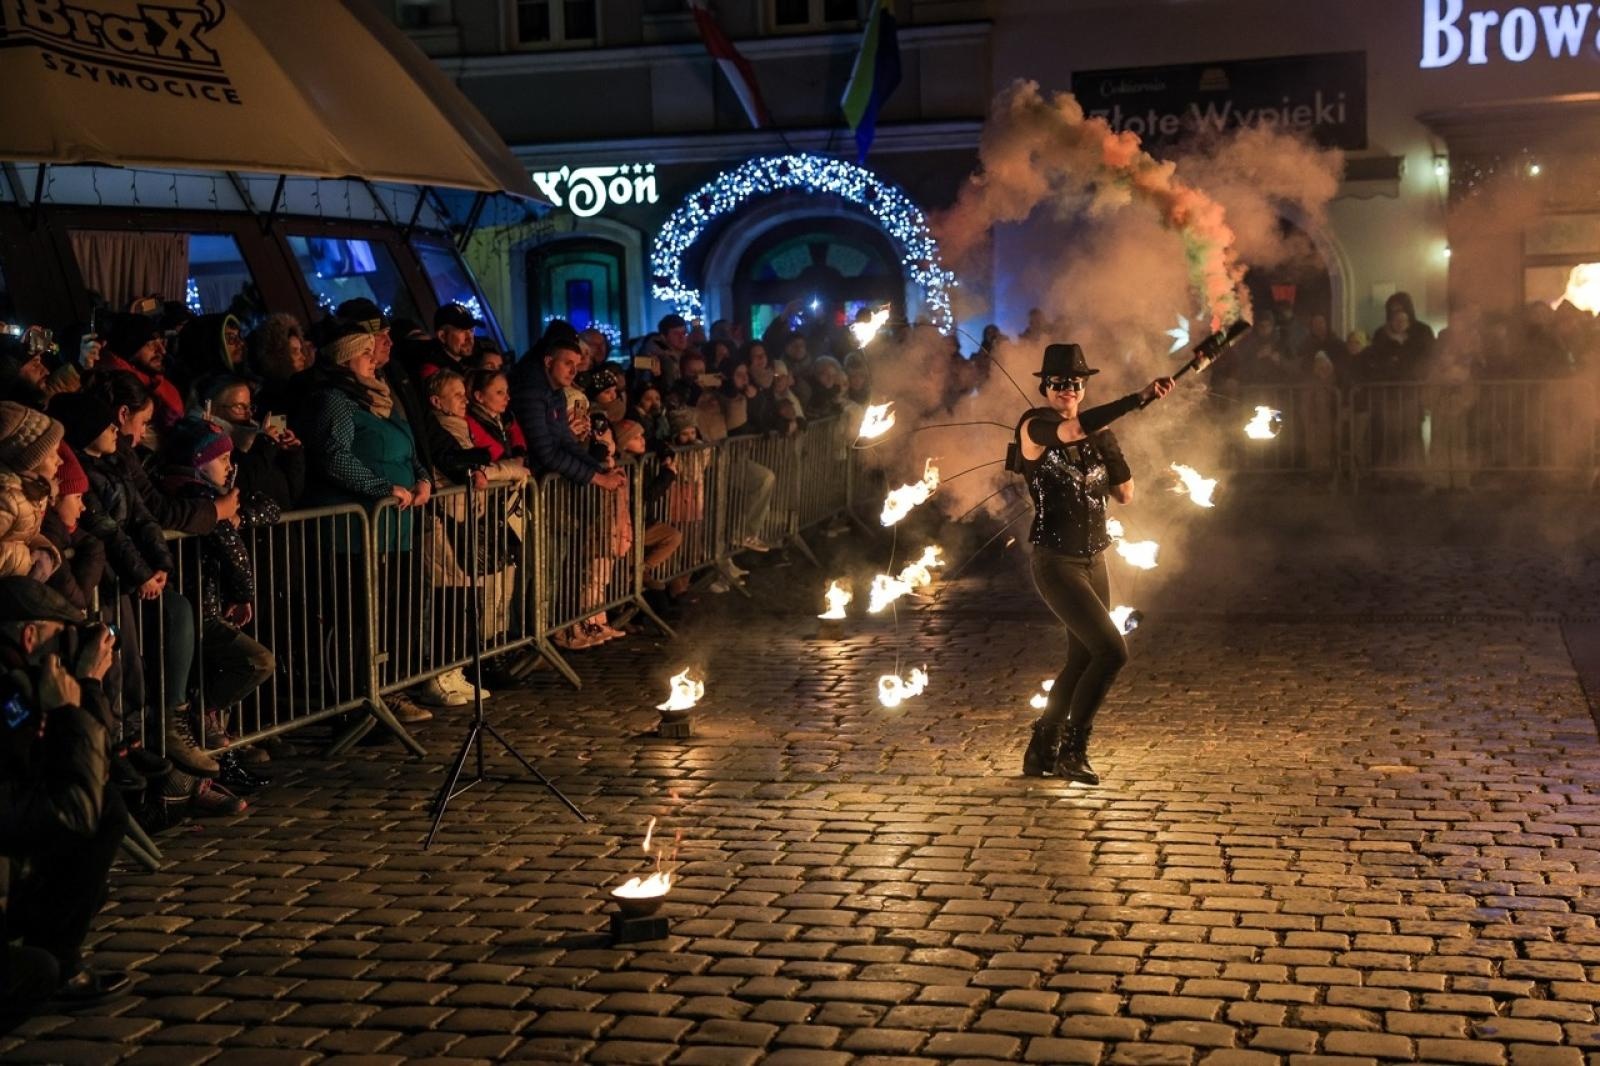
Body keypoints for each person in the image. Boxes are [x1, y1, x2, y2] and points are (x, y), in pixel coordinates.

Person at [1015, 344, 1173, 785]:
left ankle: (1040, 749)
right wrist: (1136, 400)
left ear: (1085, 388)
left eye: (1077, 384)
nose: (1069, 389)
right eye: (1060, 383)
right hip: (1056, 561)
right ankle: (1072, 749)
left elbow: (1124, 495)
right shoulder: (1035, 426)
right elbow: (1067, 433)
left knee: (1083, 656)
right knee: (1111, 651)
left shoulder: (1096, 434)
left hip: (1094, 558)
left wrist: (1108, 440)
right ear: (1046, 387)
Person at [0, 577, 128, 1021]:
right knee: (38, 971)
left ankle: (56, 957)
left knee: (104, 816)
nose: (67, 651)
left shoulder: (21, 685)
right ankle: (55, 966)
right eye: (61, 637)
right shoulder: (11, 696)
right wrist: (80, 697)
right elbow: (73, 811)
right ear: (29, 636)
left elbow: (93, 779)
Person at [509, 335, 624, 492]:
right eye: (568, 363)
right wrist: (600, 479)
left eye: (576, 365)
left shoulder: (557, 393)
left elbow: (566, 441)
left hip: (547, 482)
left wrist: (600, 470)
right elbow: (547, 453)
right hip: (530, 484)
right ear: (549, 362)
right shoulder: (532, 394)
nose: (573, 371)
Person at [100, 313, 184, 432]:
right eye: (151, 345)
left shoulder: (151, 379)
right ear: (130, 349)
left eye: (161, 342)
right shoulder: (122, 387)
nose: (162, 350)